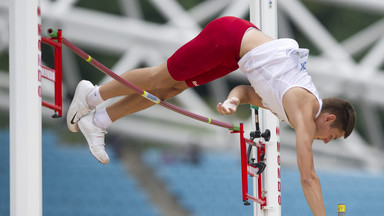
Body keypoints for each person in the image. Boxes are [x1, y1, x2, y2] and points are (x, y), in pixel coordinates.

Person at [66, 16, 356, 215]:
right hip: (229, 37)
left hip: (233, 55)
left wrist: (232, 101)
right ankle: (92, 95)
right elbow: (308, 177)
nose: (326, 142)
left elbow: (248, 92)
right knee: (159, 77)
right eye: (332, 137)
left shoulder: (293, 109)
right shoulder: (304, 111)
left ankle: (99, 121)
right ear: (329, 119)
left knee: (171, 89)